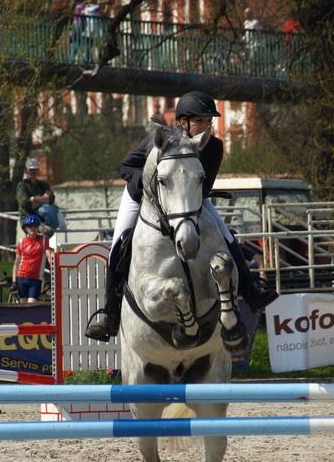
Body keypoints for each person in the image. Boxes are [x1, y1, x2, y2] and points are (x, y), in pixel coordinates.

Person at [84, 90, 278, 342]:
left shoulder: (213, 146)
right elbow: (124, 167)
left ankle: (251, 290)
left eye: (209, 120)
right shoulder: (160, 140)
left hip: (187, 201)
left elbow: (205, 187)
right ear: (183, 121)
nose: (206, 125)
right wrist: (147, 183)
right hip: (141, 197)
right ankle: (109, 315)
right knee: (118, 245)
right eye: (200, 120)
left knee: (227, 236)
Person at [13, 214, 53, 304]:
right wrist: (14, 281)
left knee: (32, 304)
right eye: (30, 226)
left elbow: (49, 255)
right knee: (23, 305)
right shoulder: (21, 241)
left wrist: (53, 268)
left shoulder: (44, 239)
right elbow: (17, 262)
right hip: (22, 277)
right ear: (25, 228)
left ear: (38, 227)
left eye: (35, 226)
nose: (32, 228)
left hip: (36, 278)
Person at [16, 157, 61, 237]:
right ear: (26, 171)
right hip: (28, 219)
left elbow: (51, 198)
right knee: (47, 232)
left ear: (37, 171)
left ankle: (45, 244)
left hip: (43, 219)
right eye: (30, 170)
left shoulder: (43, 184)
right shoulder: (22, 185)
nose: (32, 172)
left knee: (49, 229)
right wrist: (43, 199)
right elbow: (25, 204)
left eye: (34, 170)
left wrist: (35, 199)